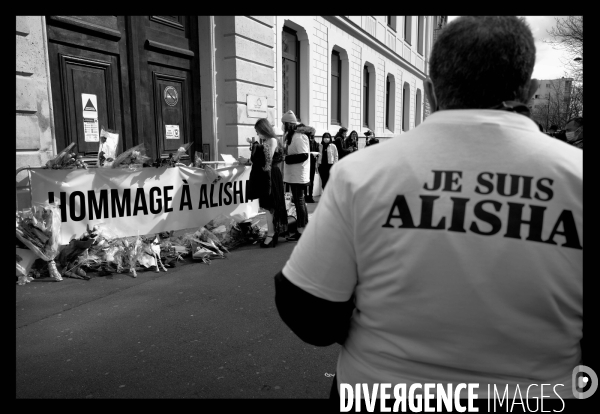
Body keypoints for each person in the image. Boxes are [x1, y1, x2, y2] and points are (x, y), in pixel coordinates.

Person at [274, 16, 582, 401]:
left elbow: (308, 311)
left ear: (430, 92)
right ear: (531, 90)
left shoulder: (362, 172)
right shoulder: (578, 178)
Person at [244, 118, 288, 248]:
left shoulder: (272, 141)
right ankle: (271, 232)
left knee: (270, 206)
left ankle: (271, 233)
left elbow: (266, 160)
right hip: (269, 175)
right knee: (269, 206)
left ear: (264, 129)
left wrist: (253, 153)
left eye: (258, 131)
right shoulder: (269, 141)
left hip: (271, 176)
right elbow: (263, 159)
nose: (258, 134)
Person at [281, 110, 310, 241]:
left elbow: (304, 155)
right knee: (300, 201)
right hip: (295, 175)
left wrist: (286, 158)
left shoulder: (298, 136)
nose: (283, 126)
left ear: (289, 124)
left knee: (299, 201)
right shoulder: (293, 135)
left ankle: (301, 230)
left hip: (298, 175)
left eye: (284, 124)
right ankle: (304, 228)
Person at [300, 124, 320, 203]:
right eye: (311, 135)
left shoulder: (314, 142)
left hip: (312, 162)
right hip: (305, 163)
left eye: (313, 135)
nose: (312, 137)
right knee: (305, 180)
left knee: (311, 180)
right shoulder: (304, 141)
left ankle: (310, 196)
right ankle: (305, 196)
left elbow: (317, 150)